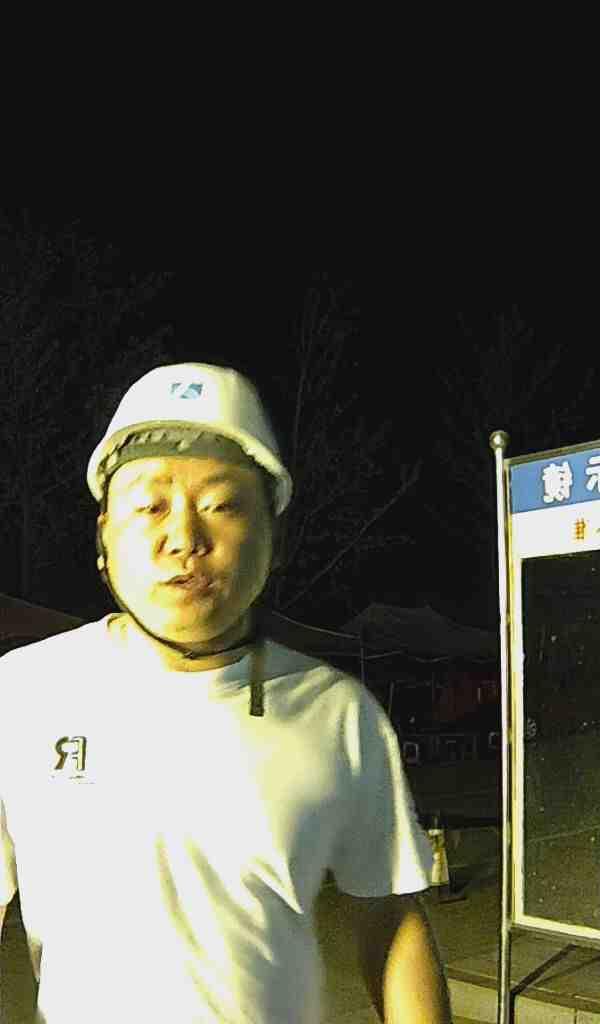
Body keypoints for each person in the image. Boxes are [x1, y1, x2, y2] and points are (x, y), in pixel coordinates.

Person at [0, 363, 451, 1023]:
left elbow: (389, 920)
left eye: (222, 505)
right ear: (103, 537)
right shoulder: (22, 692)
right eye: (149, 506)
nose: (183, 538)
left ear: (274, 539)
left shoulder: (338, 714)